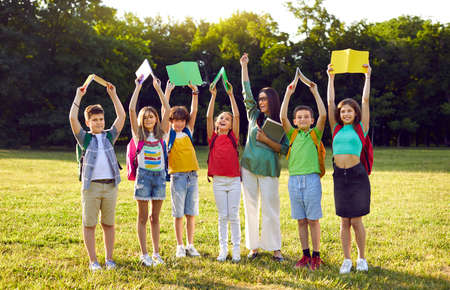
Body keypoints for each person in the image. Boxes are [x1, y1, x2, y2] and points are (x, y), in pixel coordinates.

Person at [69, 82, 126, 271]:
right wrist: (79, 96)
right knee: (90, 225)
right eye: (94, 120)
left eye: (101, 119)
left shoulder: (109, 136)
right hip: (91, 187)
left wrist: (113, 95)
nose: (99, 123)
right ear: (88, 122)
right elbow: (72, 118)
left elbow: (122, 116)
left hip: (110, 186)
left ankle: (109, 260)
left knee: (108, 224)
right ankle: (93, 261)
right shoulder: (85, 139)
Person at [239, 53, 289, 261]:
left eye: (264, 98)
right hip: (249, 167)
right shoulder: (253, 115)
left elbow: (285, 149)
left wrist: (267, 141)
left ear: (272, 100)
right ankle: (253, 247)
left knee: (270, 207)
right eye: (259, 99)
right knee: (250, 207)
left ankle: (275, 248)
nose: (260, 102)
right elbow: (246, 92)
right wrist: (244, 66)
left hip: (269, 169)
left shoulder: (281, 121)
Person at [327, 63, 372, 274]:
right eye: (342, 111)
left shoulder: (361, 128)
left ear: (355, 113)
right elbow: (329, 101)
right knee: (344, 220)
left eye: (349, 111)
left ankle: (362, 258)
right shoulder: (335, 128)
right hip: (339, 176)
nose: (345, 113)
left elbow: (365, 100)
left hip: (357, 176)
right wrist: (331, 78)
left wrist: (367, 76)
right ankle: (347, 259)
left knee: (356, 220)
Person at [280, 77, 326, 270]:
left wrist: (315, 92)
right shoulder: (293, 134)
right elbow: (282, 117)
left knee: (313, 219)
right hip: (294, 181)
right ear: (295, 121)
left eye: (306, 117)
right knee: (301, 220)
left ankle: (316, 256)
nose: (303, 119)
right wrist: (288, 93)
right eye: (299, 117)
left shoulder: (316, 133)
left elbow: (323, 115)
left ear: (312, 120)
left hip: (312, 180)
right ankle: (305, 255)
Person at [129, 76, 170, 266]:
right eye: (145, 116)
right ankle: (144, 254)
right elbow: (131, 109)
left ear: (156, 119)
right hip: (144, 178)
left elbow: (168, 109)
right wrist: (137, 87)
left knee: (155, 217)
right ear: (140, 120)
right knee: (143, 217)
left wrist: (158, 89)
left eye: (151, 116)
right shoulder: (138, 135)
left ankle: (156, 253)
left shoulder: (162, 133)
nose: (148, 118)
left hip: (160, 178)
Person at [164, 81, 201, 258]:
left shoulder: (188, 131)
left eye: (181, 121)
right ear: (171, 121)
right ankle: (179, 245)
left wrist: (195, 92)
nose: (179, 124)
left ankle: (190, 245)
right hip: (177, 177)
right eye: (175, 121)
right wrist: (167, 92)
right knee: (178, 213)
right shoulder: (168, 135)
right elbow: (164, 112)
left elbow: (194, 112)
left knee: (190, 213)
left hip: (192, 176)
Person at [206, 81, 241, 262]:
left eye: (226, 119)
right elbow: (208, 115)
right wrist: (213, 96)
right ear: (216, 123)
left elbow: (236, 114)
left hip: (234, 181)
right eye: (221, 118)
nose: (223, 120)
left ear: (230, 124)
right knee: (222, 216)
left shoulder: (233, 136)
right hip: (218, 181)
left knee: (233, 215)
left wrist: (230, 94)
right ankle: (223, 250)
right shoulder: (212, 137)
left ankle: (236, 250)